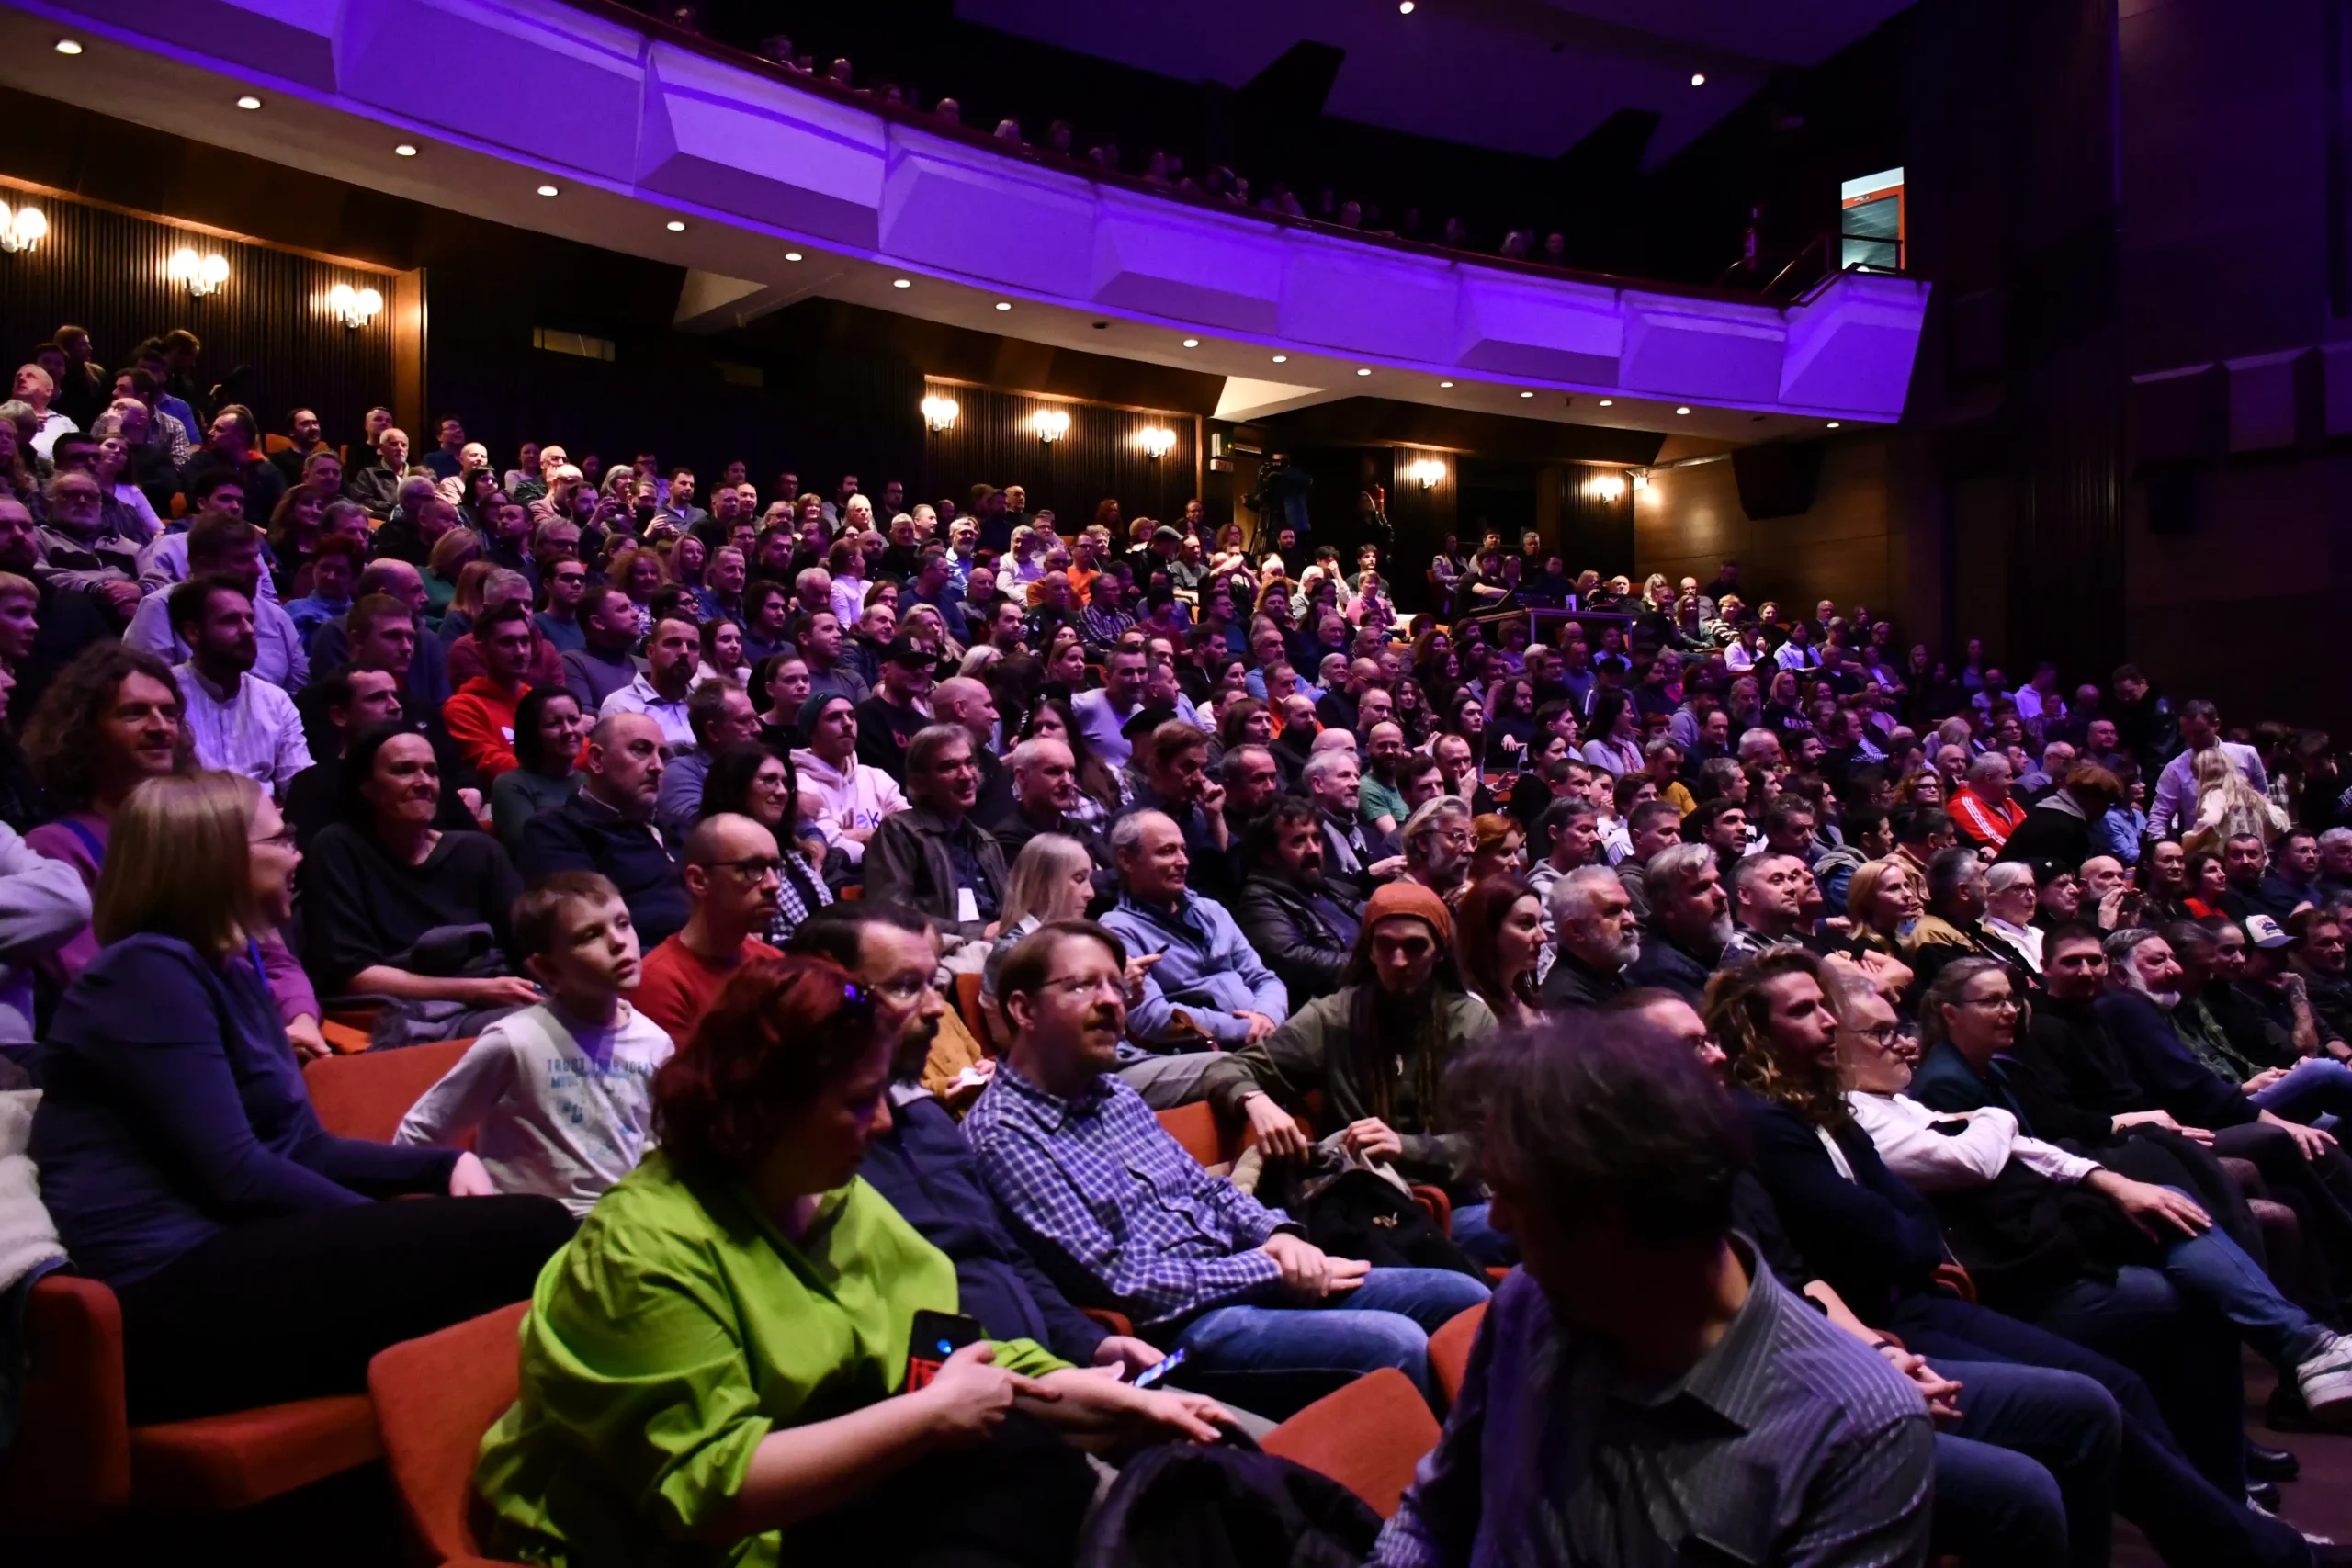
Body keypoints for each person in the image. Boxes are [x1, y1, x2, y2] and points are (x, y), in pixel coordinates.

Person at [473, 953, 1225, 1568]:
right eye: (859, 1099)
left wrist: (1105, 1396)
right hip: (678, 1546)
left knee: (1176, 1489)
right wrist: (927, 1416)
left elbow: (942, 1345)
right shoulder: (639, 1250)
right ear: (763, 1107)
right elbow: (708, 1493)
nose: (887, 1121)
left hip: (846, 1499)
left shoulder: (833, 1195)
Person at [29, 770, 572, 1421]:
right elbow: (233, 1172)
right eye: (281, 837)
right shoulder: (145, 971)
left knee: (523, 1236)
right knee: (532, 1234)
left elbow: (299, 1145)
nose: (298, 853)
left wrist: (441, 1164)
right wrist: (393, 1227)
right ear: (218, 857)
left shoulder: (226, 968)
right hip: (162, 1292)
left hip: (233, 1257)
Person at [1378, 1012, 1935, 1568]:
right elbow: (1435, 1515)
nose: (1496, 1223)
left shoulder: (1858, 1429)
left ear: (1616, 1219)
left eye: (1514, 1196)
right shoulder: (1530, 1302)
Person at [967, 919, 1490, 1417]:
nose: (1111, 1001)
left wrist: (1280, 1234)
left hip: (1249, 1273)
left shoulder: (1114, 1095)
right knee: (1393, 1344)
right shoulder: (1005, 1133)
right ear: (1023, 1009)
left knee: (1459, 1295)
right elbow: (1124, 1284)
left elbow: (1209, 1191)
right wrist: (1271, 1267)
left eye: (1115, 985)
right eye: (1083, 986)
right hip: (1178, 1326)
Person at [789, 903, 1169, 1374]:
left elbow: (1004, 1256)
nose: (935, 1009)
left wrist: (1091, 1345)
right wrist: (1031, 1395)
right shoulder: (803, 1162)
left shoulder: (927, 1121)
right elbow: (886, 1327)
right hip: (956, 1409)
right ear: (822, 995)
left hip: (1044, 1375)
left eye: (934, 984)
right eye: (907, 987)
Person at [394, 872, 673, 1214]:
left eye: (622, 923)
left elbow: (658, 1144)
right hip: (533, 1225)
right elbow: (420, 1132)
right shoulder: (515, 1040)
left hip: (621, 1221)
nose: (619, 942)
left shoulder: (655, 1042)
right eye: (590, 935)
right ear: (547, 968)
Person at [1099, 810, 1287, 1079]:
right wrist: (1245, 1028)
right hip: (1206, 1054)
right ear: (1127, 860)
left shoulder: (1211, 910)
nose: (1182, 861)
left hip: (1265, 1031)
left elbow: (1264, 978)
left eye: (1183, 850)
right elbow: (1153, 1017)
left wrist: (1267, 1016)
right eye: (1166, 852)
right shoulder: (1118, 930)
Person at [517, 713, 692, 951]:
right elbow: (589, 937)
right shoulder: (556, 830)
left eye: (662, 755)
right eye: (641, 750)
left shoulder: (674, 826)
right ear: (597, 760)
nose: (658, 767)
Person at [633, 813, 786, 1043]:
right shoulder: (657, 983)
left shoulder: (773, 961)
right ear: (698, 881)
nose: (772, 884)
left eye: (775, 868)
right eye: (751, 868)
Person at [864, 725, 1008, 942]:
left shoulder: (985, 841)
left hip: (999, 947)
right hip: (942, 951)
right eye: (949, 767)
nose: (966, 775)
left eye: (970, 763)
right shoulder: (900, 832)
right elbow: (893, 914)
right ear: (920, 781)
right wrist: (977, 933)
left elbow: (1013, 909)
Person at [168, 576, 312, 795]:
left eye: (249, 619)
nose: (248, 630)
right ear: (193, 633)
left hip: (267, 822)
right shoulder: (165, 697)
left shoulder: (275, 700)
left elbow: (300, 786)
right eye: (230, 620)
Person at [1232, 796, 1363, 1006]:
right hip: (1333, 1007)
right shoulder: (1258, 901)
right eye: (1299, 841)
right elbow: (1291, 958)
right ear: (1268, 855)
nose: (1313, 850)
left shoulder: (1330, 888)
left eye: (1316, 838)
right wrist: (1372, 962)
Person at [792, 694, 906, 867]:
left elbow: (910, 830)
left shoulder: (875, 776)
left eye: (851, 716)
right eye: (834, 717)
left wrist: (855, 835)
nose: (847, 723)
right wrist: (879, 838)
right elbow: (832, 847)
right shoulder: (801, 784)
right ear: (812, 731)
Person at [439, 599, 537, 783]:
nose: (520, 652)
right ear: (481, 650)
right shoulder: (463, 707)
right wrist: (553, 768)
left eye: (525, 641)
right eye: (508, 642)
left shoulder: (538, 701)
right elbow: (491, 763)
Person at [1623, 842, 1730, 1005]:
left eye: (1718, 883)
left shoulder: (1711, 944)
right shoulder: (1660, 972)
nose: (1721, 894)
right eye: (1701, 888)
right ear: (1668, 907)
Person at [491, 684, 586, 852]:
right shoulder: (511, 785)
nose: (569, 730)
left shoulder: (591, 782)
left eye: (573, 720)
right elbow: (531, 849)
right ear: (532, 733)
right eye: (554, 724)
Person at [1542, 863, 1641, 1010]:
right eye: (1613, 912)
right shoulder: (1569, 1001)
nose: (1631, 920)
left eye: (1628, 909)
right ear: (1576, 930)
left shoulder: (1609, 973)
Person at [1453, 874, 1546, 1031]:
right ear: (1489, 930)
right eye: (1526, 924)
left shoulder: (1527, 997)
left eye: (1540, 923)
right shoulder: (1470, 1012)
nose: (1542, 937)